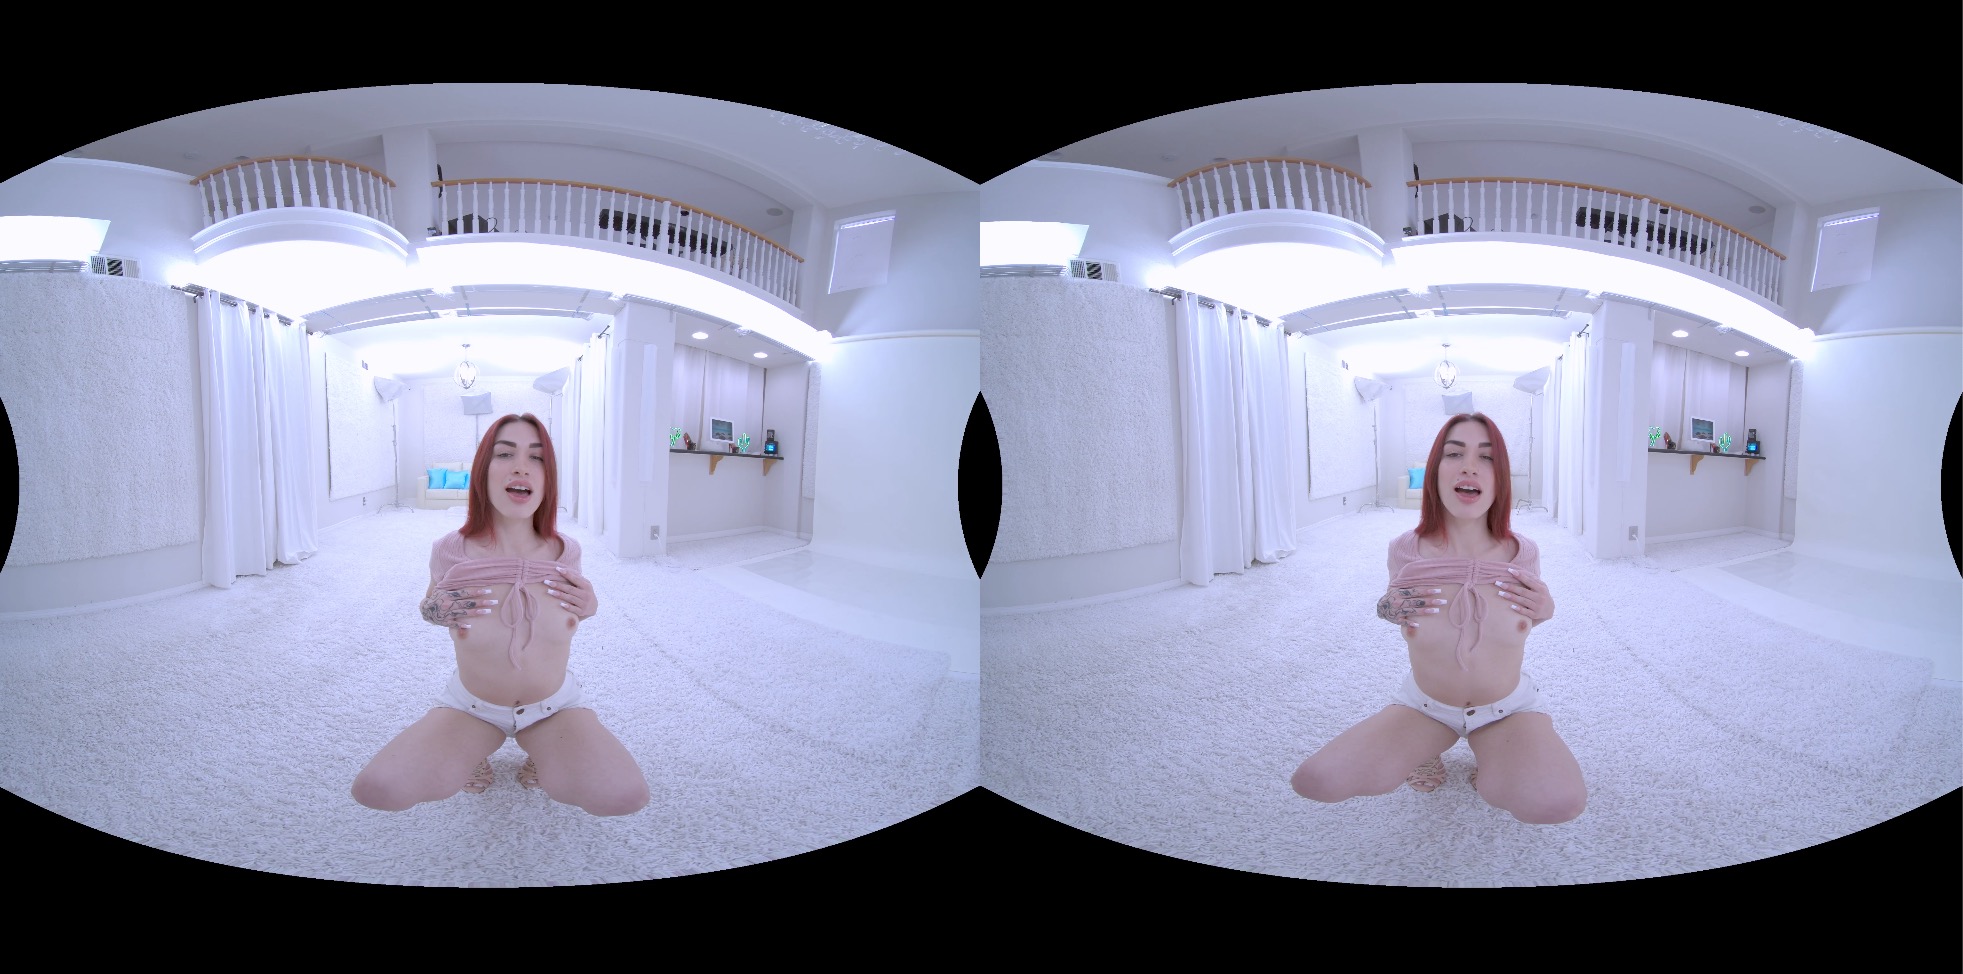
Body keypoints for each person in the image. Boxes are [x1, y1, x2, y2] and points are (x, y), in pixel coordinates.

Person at [1290, 412, 1586, 825]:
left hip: (1507, 708)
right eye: (1454, 453)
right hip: (1426, 706)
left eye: (1486, 457)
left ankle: (1494, 755)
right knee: (1317, 780)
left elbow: (1520, 622)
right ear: (1435, 471)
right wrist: (1385, 609)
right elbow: (1395, 607)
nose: (1469, 467)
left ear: (1500, 477)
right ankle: (1425, 750)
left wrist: (1547, 610)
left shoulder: (1524, 553)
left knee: (1557, 803)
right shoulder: (1405, 550)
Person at [352, 413, 650, 817]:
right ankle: (474, 752)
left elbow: (566, 615)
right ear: (483, 471)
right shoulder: (450, 550)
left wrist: (591, 607)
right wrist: (434, 610)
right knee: (378, 789)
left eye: (536, 457)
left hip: (554, 707)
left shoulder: (567, 552)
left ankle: (542, 752)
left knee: (623, 796)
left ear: (548, 477)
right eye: (505, 454)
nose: (521, 466)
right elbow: (430, 606)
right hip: (472, 707)